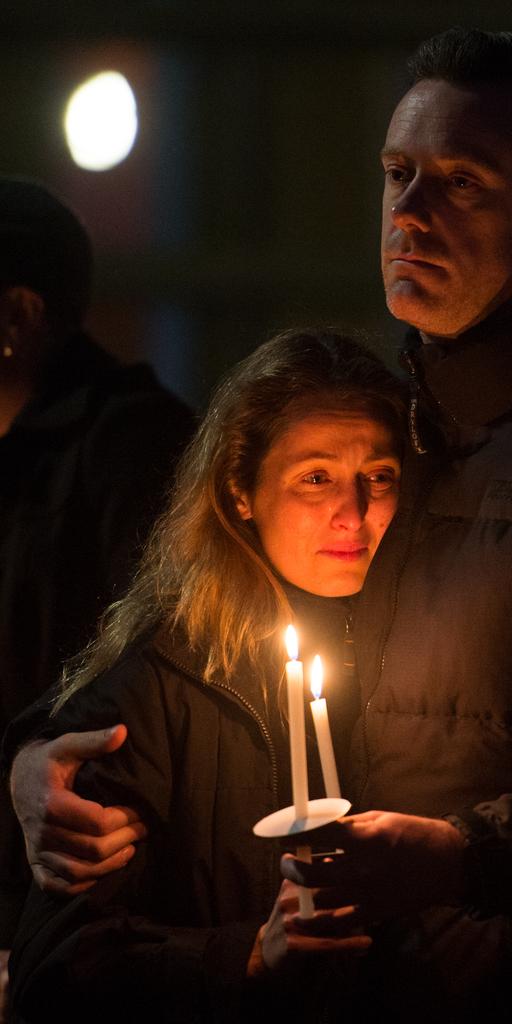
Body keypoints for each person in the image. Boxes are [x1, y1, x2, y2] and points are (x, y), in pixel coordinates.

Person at [8, 28, 512, 1022]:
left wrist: (466, 855)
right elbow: (184, 637)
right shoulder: (400, 427)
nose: (410, 213)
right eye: (398, 174)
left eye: (460, 182)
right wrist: (35, 761)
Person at [7, 329, 405, 1021]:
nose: (354, 513)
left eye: (379, 477)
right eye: (315, 477)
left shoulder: (433, 652)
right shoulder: (163, 681)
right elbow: (57, 965)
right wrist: (247, 955)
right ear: (239, 491)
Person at [0, 178, 194, 984]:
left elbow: (140, 672)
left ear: (16, 318)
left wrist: (28, 758)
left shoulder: (133, 447)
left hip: (68, 924)